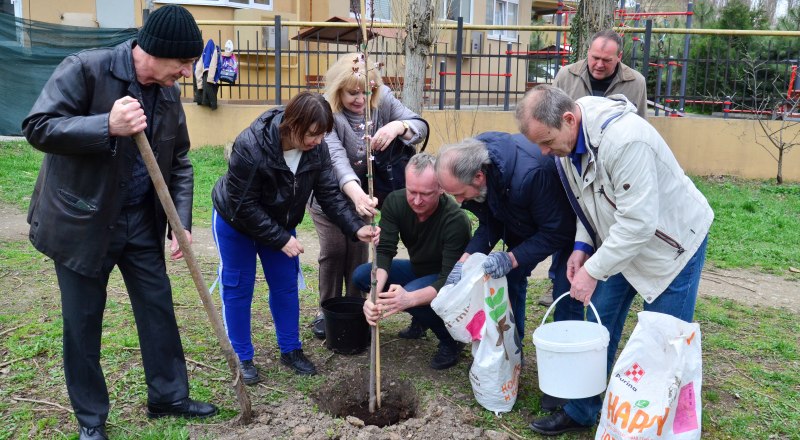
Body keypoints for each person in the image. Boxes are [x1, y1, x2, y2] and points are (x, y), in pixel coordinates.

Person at [21, 6, 216, 440]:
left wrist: (180, 221)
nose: (188, 72)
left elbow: (179, 161)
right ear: (156, 51)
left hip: (141, 221)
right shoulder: (86, 69)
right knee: (83, 322)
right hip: (82, 221)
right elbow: (38, 127)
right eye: (184, 62)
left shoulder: (168, 94)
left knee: (157, 308)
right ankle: (91, 420)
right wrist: (105, 125)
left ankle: (168, 397)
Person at [517, 85, 713, 436]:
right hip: (619, 243)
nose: (544, 152)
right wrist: (582, 245)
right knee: (600, 325)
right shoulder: (570, 141)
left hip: (671, 246)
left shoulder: (625, 141)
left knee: (663, 339)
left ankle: (654, 423)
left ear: (568, 119)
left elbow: (639, 224)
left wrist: (592, 270)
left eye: (546, 141)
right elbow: (589, 199)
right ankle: (582, 411)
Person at [211, 91, 379, 383]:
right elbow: (243, 205)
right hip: (235, 222)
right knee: (238, 287)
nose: (317, 141)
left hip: (279, 222)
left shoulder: (316, 149)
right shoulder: (250, 145)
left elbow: (328, 193)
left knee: (286, 286)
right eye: (312, 134)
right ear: (291, 125)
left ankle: (290, 350)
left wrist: (355, 227)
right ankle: (241, 356)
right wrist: (281, 239)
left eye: (322, 134)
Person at [308, 52, 429, 340]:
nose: (361, 99)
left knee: (358, 256)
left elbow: (420, 126)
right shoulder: (327, 111)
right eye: (353, 93)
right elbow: (336, 160)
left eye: (366, 92)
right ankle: (327, 311)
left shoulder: (382, 98)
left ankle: (355, 309)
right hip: (330, 196)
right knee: (334, 252)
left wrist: (399, 126)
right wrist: (356, 195)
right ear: (339, 90)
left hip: (367, 196)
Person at [435, 132, 581, 343]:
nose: (458, 201)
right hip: (524, 216)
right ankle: (511, 350)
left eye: (459, 193)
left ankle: (569, 350)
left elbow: (557, 232)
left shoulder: (530, 176)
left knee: (567, 289)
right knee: (508, 277)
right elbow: (490, 220)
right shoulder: (480, 165)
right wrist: (463, 261)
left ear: (479, 177)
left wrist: (512, 258)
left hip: (568, 223)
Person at [356, 153, 472, 370]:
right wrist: (373, 295)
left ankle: (451, 340)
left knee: (410, 293)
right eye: (412, 192)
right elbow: (385, 252)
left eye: (426, 194)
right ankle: (421, 319)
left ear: (441, 188)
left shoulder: (456, 220)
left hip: (448, 280)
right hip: (418, 269)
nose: (417, 201)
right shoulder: (395, 201)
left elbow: (449, 280)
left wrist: (409, 299)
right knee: (362, 276)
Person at [554, 30, 647, 119]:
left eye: (606, 60)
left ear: (619, 56)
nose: (599, 65)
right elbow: (550, 118)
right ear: (588, 51)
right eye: (595, 58)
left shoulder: (636, 83)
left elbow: (641, 124)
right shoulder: (566, 76)